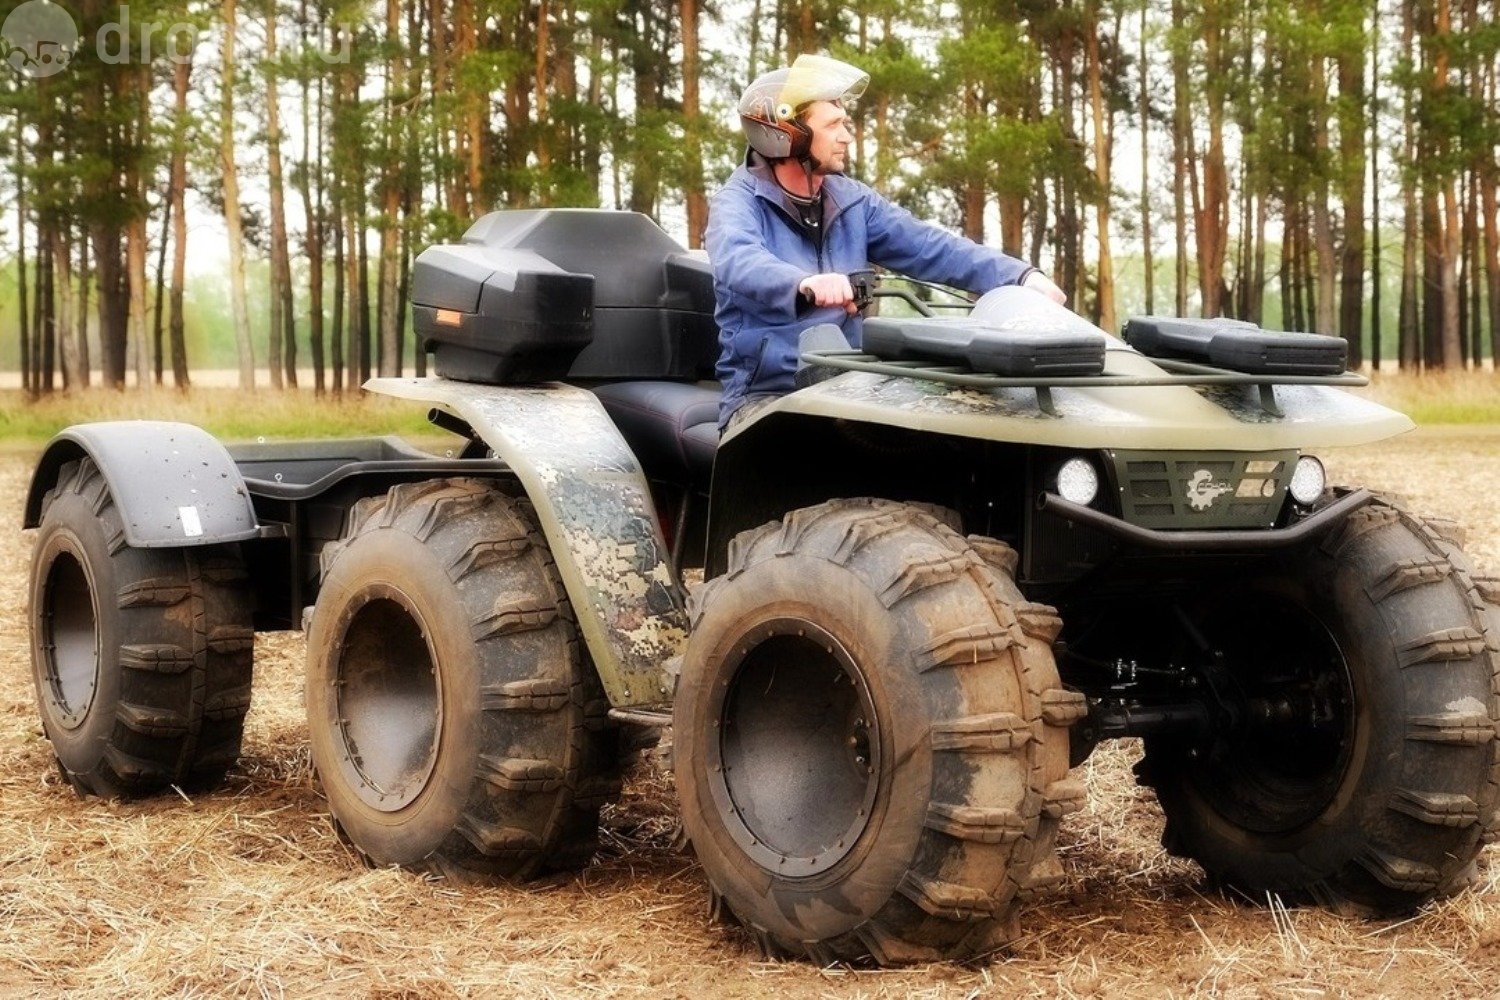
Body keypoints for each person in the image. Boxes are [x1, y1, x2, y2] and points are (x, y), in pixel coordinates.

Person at [705, 54, 1067, 430]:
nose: (847, 135)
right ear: (787, 134)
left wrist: (1021, 276)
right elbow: (740, 259)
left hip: (848, 384)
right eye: (833, 125)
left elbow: (930, 246)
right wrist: (802, 283)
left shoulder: (852, 201)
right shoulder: (737, 202)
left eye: (845, 123)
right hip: (765, 395)